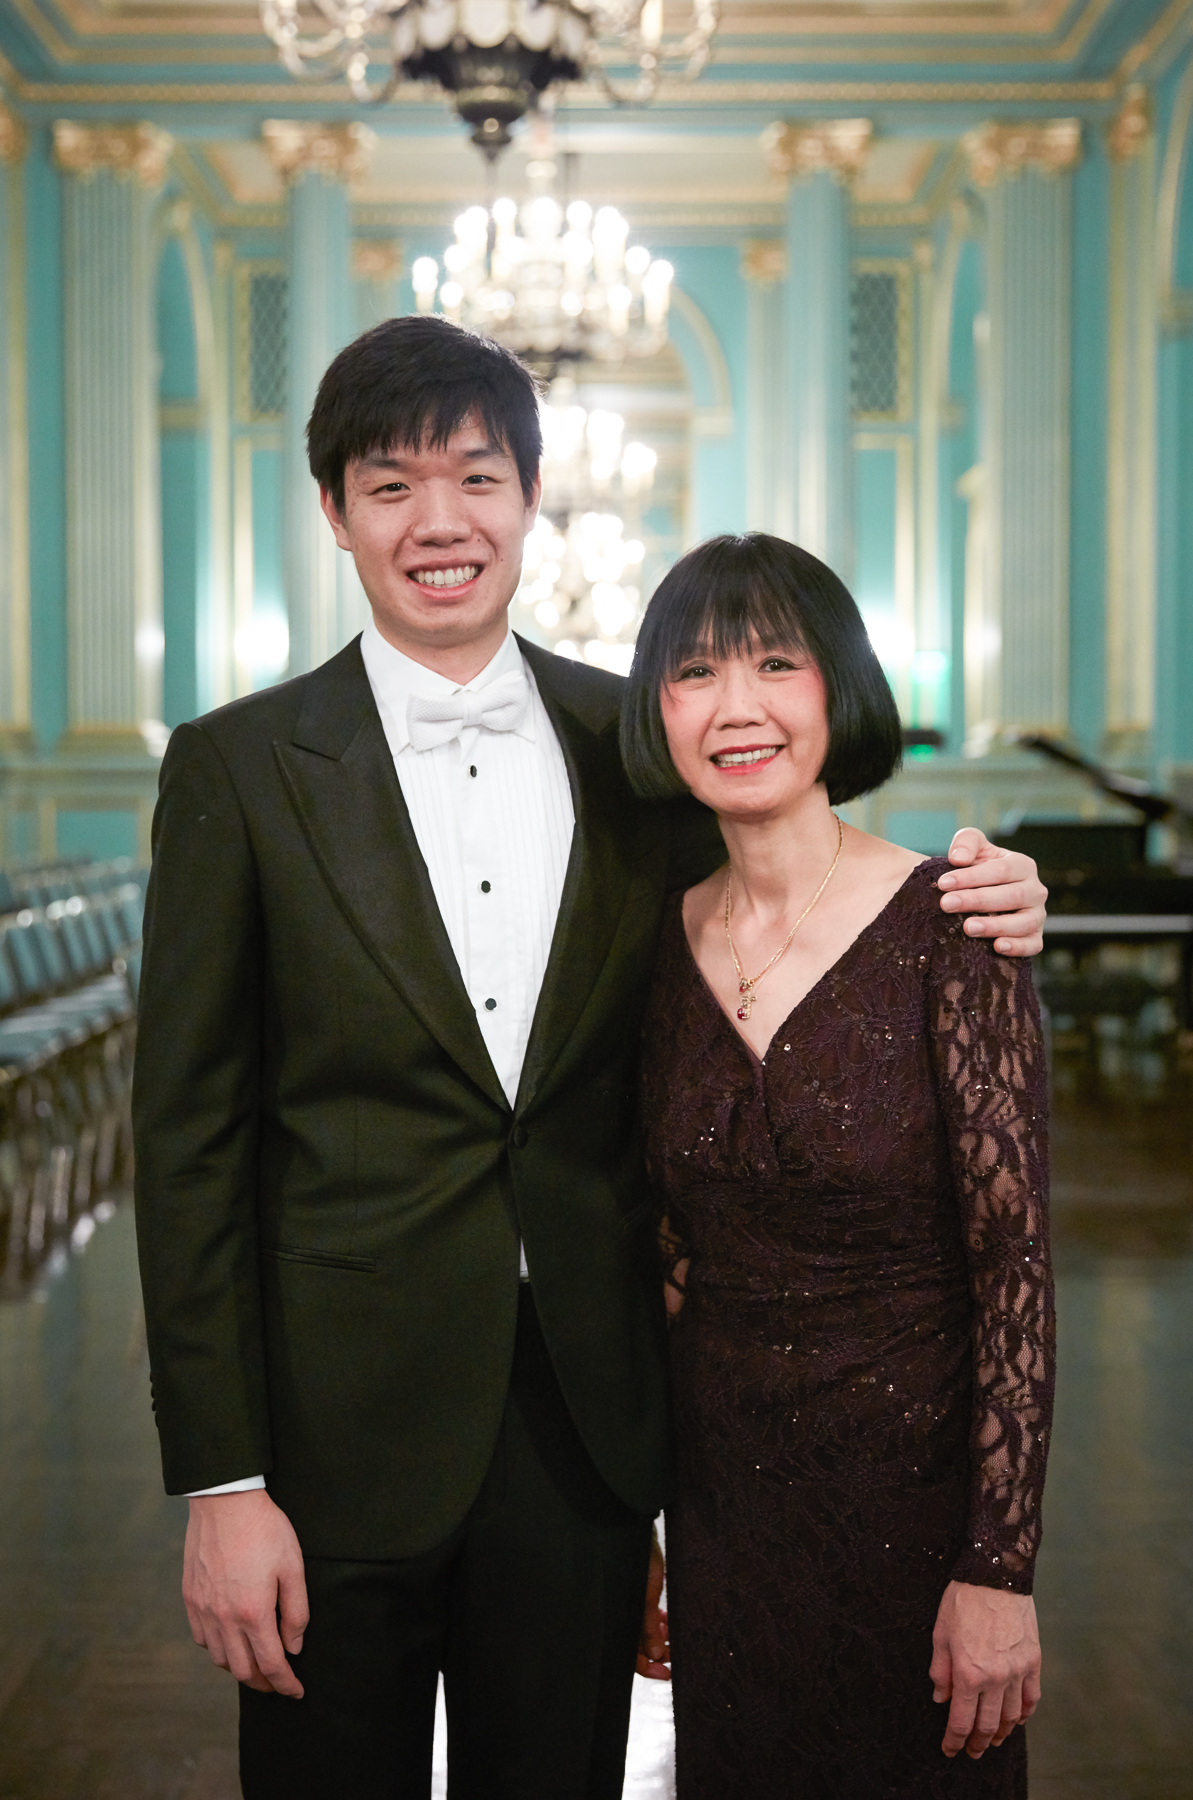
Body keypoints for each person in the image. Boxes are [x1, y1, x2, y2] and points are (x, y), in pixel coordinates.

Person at [132, 319, 1048, 1800]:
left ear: (531, 494)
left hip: (589, 1437)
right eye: (389, 486)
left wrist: (1003, 891)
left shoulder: (637, 747)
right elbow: (183, 1147)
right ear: (333, 513)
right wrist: (222, 1483)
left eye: (477, 476)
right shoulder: (235, 768)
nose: (441, 522)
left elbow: (794, 898)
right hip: (331, 1443)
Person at [624, 533, 1054, 1800]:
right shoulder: (655, 946)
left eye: (776, 663)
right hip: (724, 1524)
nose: (738, 705)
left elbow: (1015, 1272)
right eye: (695, 672)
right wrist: (653, 1533)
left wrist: (998, 1572)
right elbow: (664, 1258)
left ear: (837, 690)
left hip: (916, 1523)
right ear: (657, 708)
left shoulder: (952, 929)